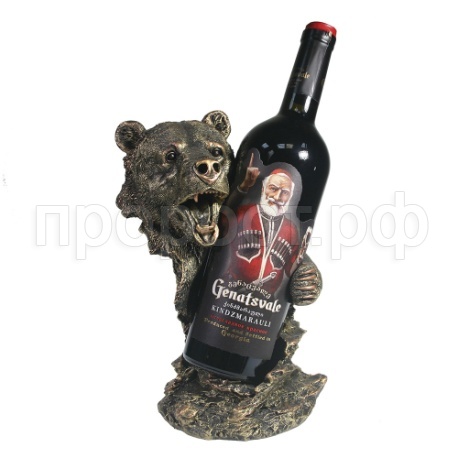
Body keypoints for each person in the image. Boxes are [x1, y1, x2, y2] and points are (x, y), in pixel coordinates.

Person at [226, 153, 300, 294]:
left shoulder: (291, 230)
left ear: (290, 197)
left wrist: (303, 263)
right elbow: (220, 223)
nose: (277, 197)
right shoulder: (243, 213)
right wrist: (244, 186)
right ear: (263, 189)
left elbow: (291, 271)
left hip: (266, 301)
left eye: (284, 192)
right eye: (273, 188)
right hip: (229, 292)